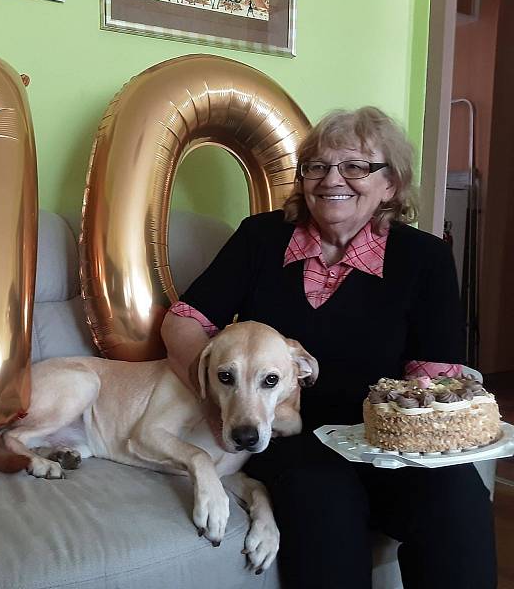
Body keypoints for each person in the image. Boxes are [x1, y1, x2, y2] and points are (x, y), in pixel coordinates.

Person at [161, 106, 496, 589]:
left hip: (387, 443)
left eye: (356, 166)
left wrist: (403, 435)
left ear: (391, 185)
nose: (331, 179)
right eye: (317, 166)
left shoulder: (425, 259)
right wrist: (226, 404)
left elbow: (434, 381)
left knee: (456, 497)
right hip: (290, 438)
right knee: (323, 502)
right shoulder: (261, 237)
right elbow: (183, 323)